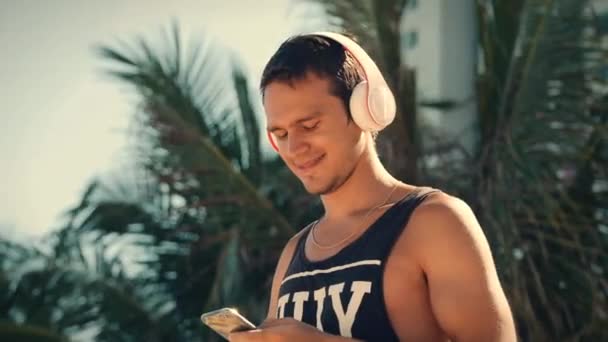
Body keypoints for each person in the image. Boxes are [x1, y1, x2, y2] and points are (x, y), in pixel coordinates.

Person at [230, 32, 516, 342]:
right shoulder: (293, 254)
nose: (294, 147)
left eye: (309, 126)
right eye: (281, 134)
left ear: (364, 109)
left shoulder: (433, 222)